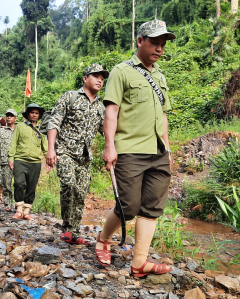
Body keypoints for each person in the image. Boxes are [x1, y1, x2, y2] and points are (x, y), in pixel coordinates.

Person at [96, 19, 175, 276]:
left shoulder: (160, 75)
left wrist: (168, 148)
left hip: (158, 151)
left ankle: (139, 262)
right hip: (130, 149)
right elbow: (112, 111)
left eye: (163, 44)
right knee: (128, 205)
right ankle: (104, 239)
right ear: (140, 41)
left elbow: (163, 115)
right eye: (154, 42)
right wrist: (110, 147)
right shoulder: (122, 71)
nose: (159, 48)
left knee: (152, 207)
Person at [46, 64, 108, 245]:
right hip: (65, 151)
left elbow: (105, 132)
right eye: (96, 76)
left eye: (102, 78)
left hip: (85, 157)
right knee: (68, 185)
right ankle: (67, 228)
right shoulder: (70, 97)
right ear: (85, 78)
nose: (99, 80)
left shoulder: (101, 107)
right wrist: (51, 149)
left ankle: (74, 232)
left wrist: (112, 149)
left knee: (80, 193)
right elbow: (54, 122)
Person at [8, 103, 48, 220]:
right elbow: (13, 143)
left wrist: (48, 161)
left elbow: (45, 147)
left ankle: (26, 211)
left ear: (39, 115)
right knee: (19, 183)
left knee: (31, 186)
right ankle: (19, 209)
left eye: (36, 113)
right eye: (32, 113)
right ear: (28, 114)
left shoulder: (41, 129)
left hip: (35, 162)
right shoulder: (20, 126)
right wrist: (11, 158)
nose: (34, 115)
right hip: (20, 159)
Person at [0, 108, 18, 211]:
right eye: (7, 116)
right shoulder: (1, 131)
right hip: (5, 161)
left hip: (18, 160)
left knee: (19, 184)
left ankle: (19, 205)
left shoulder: (19, 130)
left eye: (11, 116)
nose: (8, 117)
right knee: (6, 184)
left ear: (15, 118)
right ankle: (8, 205)